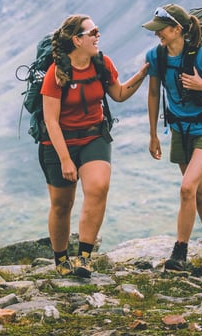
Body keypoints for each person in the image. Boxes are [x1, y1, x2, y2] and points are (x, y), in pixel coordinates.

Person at [40, 14, 149, 277]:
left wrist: (144, 72)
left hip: (93, 137)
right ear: (77, 40)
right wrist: (66, 160)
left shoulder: (102, 63)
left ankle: (85, 257)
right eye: (93, 32)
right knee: (62, 204)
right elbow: (51, 121)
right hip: (59, 143)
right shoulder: (57, 72)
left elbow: (119, 94)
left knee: (98, 187)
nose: (98, 36)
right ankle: (61, 259)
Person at [142, 4, 202, 271]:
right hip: (180, 130)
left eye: (161, 30)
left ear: (177, 30)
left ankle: (179, 254)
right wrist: (153, 135)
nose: (157, 35)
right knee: (199, 193)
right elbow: (152, 95)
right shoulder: (156, 56)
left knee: (187, 188)